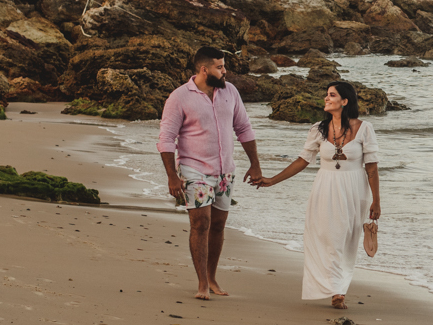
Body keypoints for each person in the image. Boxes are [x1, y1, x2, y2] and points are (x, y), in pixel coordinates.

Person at [253, 80, 380, 309]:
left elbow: (371, 167)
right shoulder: (318, 129)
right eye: (326, 94)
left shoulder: (364, 129)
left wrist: (377, 201)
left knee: (346, 241)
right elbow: (302, 161)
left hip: (354, 189)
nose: (326, 98)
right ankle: (336, 290)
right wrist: (272, 180)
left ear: (344, 101)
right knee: (329, 237)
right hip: (325, 187)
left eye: (331, 95)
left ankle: (339, 287)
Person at [158, 46, 262, 300]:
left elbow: (244, 129)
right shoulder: (179, 97)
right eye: (220, 67)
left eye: (224, 66)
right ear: (204, 70)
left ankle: (212, 276)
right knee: (201, 223)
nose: (225, 71)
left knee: (218, 225)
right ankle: (202, 282)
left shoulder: (230, 93)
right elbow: (166, 139)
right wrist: (173, 176)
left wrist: (255, 164)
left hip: (225, 171)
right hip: (195, 169)